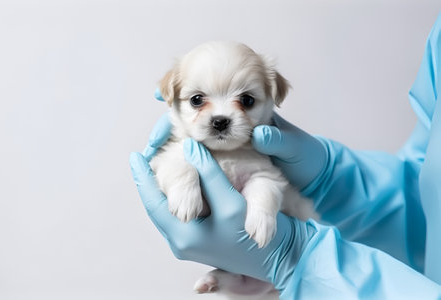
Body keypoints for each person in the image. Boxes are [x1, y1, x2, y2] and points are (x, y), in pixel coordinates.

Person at [130, 13, 441, 299]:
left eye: (246, 100)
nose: (221, 115)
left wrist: (294, 255)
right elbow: (427, 190)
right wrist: (331, 178)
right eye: (198, 100)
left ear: (272, 98)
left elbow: (263, 182)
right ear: (173, 96)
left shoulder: (259, 152)